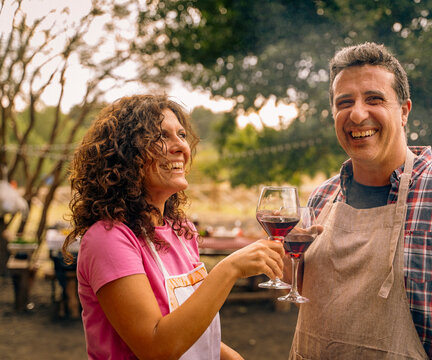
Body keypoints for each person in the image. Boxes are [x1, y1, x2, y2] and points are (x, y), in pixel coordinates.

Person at [289, 42, 432, 359]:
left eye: (374, 99)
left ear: (404, 111)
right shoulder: (321, 198)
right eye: (344, 102)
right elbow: (308, 293)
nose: (358, 114)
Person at [63, 94, 285, 360]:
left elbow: (188, 327)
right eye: (161, 136)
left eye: (181, 134)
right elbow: (156, 347)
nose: (181, 146)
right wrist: (230, 269)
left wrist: (231, 357)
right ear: (124, 154)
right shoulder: (108, 239)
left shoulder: (181, 230)